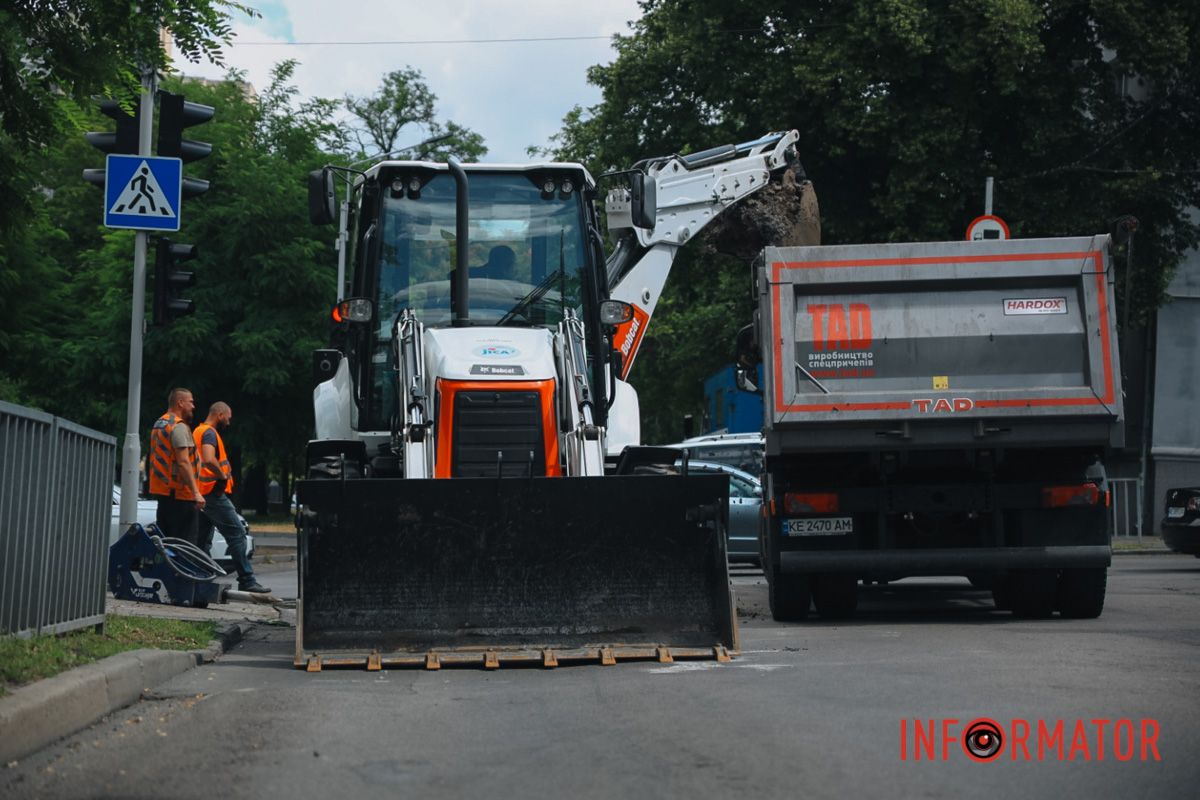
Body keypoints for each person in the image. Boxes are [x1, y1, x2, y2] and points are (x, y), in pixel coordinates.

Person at [194, 402, 270, 594]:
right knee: (237, 533)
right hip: (213, 493)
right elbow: (209, 458)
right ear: (220, 414)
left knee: (201, 541)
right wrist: (222, 475)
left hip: (202, 493)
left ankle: (199, 580)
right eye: (228, 417)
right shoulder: (209, 433)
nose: (229, 421)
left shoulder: (198, 431)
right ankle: (247, 580)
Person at [148, 388, 205, 544]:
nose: (193, 406)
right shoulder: (178, 426)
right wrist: (196, 492)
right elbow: (183, 461)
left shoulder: (160, 423)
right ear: (180, 403)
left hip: (164, 494)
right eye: (190, 402)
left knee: (166, 544)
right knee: (184, 546)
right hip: (181, 495)